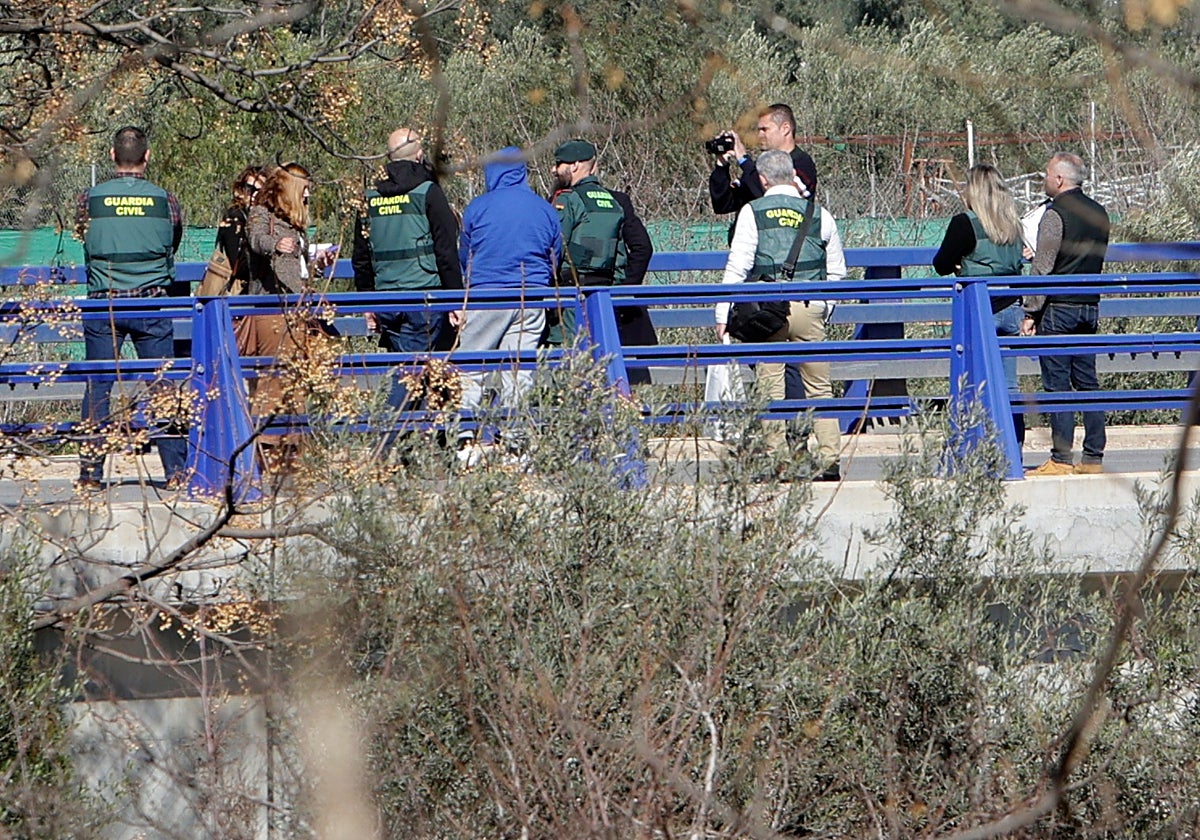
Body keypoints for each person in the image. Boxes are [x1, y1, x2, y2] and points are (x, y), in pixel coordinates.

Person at [714, 149, 846, 481]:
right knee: (818, 386)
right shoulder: (819, 214)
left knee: (770, 385)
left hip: (768, 311)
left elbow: (738, 265)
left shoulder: (752, 212)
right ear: (792, 175)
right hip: (810, 307)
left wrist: (721, 312)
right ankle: (829, 459)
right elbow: (837, 271)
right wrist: (823, 308)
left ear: (761, 179)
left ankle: (776, 459)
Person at [75, 125, 187, 491]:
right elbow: (175, 237)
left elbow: (84, 238)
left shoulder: (89, 198)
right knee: (162, 387)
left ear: (112, 156)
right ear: (147, 156)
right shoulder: (164, 199)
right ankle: (175, 472)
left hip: (103, 303)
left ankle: (91, 475)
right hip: (152, 303)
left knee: (99, 388)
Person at [455, 146, 562, 465]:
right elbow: (554, 253)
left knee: (471, 366)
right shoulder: (543, 208)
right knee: (518, 370)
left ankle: (465, 439)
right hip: (531, 297)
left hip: (487, 295)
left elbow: (465, 254)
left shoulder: (478, 207)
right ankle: (516, 444)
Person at [709, 103, 818, 410]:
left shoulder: (801, 164)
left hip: (789, 278)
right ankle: (771, 425)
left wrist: (745, 161)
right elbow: (724, 202)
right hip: (756, 276)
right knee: (763, 358)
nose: (759, 136)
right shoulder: (762, 172)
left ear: (786, 129)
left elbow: (783, 198)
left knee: (791, 365)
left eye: (764, 129)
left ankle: (792, 428)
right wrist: (721, 166)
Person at [352, 128, 462, 429]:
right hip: (426, 298)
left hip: (386, 299)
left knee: (414, 370)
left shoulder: (370, 197)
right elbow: (446, 251)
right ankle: (386, 445)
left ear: (388, 158)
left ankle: (421, 447)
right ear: (419, 154)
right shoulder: (428, 192)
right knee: (414, 376)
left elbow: (361, 256)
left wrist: (368, 302)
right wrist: (455, 299)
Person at [1020, 152, 1111, 476]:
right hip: (1089, 306)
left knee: (1057, 383)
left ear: (1059, 179)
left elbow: (1043, 266)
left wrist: (1030, 310)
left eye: (1046, 174)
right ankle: (1093, 456)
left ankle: (1060, 457)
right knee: (1087, 381)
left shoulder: (1055, 215)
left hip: (1059, 308)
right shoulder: (1100, 212)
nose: (1044, 180)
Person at [242, 161, 334, 471]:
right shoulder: (261, 214)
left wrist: (317, 261)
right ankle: (268, 453)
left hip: (297, 311)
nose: (308, 194)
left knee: (297, 382)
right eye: (304, 188)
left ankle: (295, 450)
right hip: (272, 311)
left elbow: (298, 268)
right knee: (272, 383)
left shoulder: (296, 224)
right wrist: (275, 245)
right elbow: (257, 241)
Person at [546, 140, 658, 381]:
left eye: (559, 164)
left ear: (575, 165)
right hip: (606, 298)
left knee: (568, 365)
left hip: (571, 296)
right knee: (606, 366)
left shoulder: (568, 200)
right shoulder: (614, 202)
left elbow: (555, 248)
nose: (554, 170)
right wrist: (622, 291)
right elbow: (625, 254)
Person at [932, 163, 1026, 447]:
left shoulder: (966, 223)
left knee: (971, 382)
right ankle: (1013, 447)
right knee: (1009, 384)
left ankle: (973, 447)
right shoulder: (1013, 224)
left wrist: (962, 263)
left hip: (978, 308)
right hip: (1011, 307)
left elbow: (940, 265)